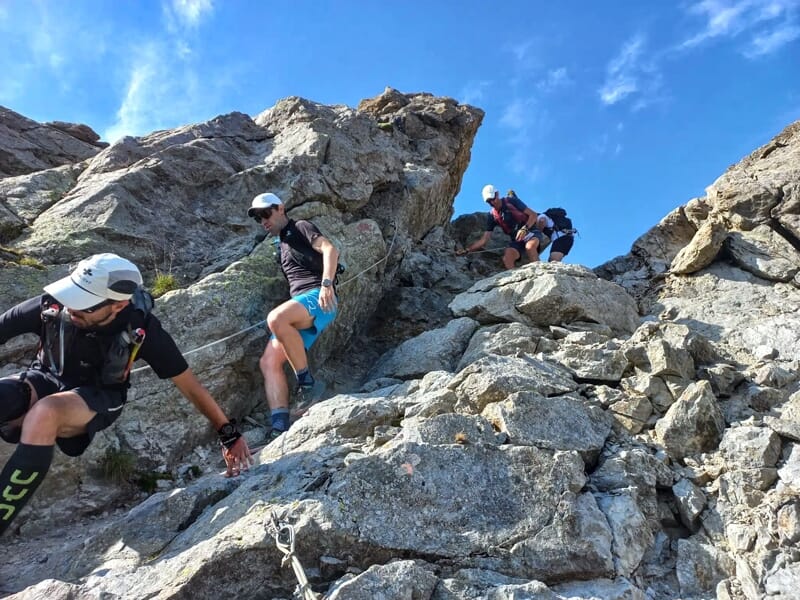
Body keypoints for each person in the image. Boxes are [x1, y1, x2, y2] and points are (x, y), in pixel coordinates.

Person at [0, 253, 253, 536]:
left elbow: (189, 384)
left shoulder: (140, 328)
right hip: (43, 378)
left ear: (118, 305)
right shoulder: (53, 305)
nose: (72, 309)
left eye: (84, 305)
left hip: (99, 397)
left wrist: (228, 433)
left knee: (45, 413)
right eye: (72, 297)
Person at [248, 192, 339, 440]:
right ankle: (279, 425)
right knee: (268, 362)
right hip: (301, 305)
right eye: (258, 218)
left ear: (280, 208)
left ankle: (308, 384)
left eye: (265, 213)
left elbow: (330, 249)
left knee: (275, 318)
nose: (263, 221)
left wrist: (327, 284)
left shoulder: (300, 227)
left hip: (317, 297)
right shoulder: (281, 243)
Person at [456, 185, 545, 270]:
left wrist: (525, 228)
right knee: (507, 258)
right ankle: (516, 278)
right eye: (489, 201)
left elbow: (533, 215)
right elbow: (484, 240)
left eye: (493, 199)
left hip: (531, 232)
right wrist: (467, 250)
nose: (492, 202)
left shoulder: (511, 201)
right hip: (517, 240)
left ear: (497, 194)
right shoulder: (492, 215)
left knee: (530, 247)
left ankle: (540, 272)